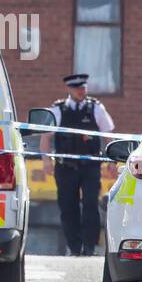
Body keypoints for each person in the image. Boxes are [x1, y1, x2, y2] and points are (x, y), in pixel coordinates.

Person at [48, 73, 115, 256]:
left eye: (83, 88)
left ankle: (89, 246)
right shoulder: (58, 109)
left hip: (90, 167)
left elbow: (107, 134)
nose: (81, 91)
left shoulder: (95, 108)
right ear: (69, 89)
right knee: (68, 207)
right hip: (66, 167)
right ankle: (75, 247)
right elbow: (46, 136)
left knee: (90, 205)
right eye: (78, 88)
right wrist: (45, 160)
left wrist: (112, 158)